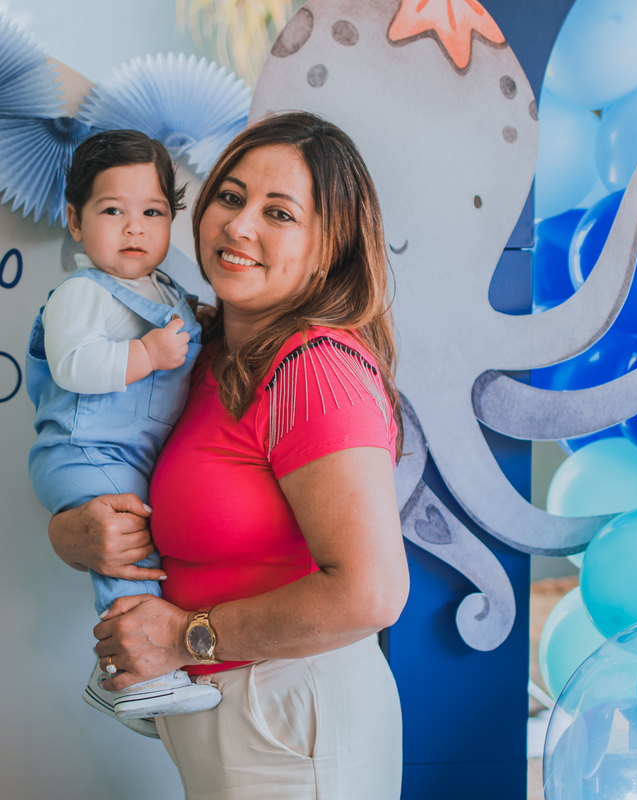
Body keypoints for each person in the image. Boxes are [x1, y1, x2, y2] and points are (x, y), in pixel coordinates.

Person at [47, 112, 410, 798]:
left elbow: (372, 592)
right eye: (231, 197)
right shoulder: (199, 353)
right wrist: (74, 532)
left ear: (328, 246)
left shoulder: (315, 371)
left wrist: (187, 638)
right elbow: (109, 470)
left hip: (291, 716)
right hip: (235, 720)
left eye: (279, 212)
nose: (240, 227)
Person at [25, 130, 222, 734]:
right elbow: (75, 366)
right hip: (84, 452)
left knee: (142, 551)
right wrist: (147, 353)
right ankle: (137, 675)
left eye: (152, 212)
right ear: (75, 221)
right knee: (128, 551)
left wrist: (202, 326)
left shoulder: (164, 292)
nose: (134, 228)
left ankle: (116, 678)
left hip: (125, 452)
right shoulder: (82, 293)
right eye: (113, 211)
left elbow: (186, 331)